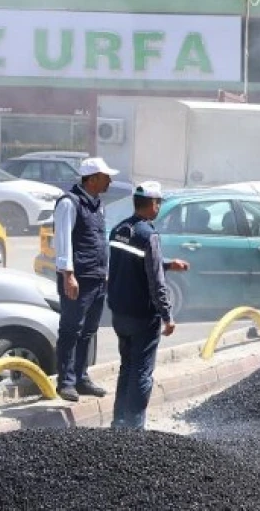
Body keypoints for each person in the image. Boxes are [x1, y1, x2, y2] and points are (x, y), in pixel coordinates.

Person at [107, 181, 189, 430]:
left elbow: (133, 263)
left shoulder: (119, 230)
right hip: (143, 316)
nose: (159, 207)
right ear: (152, 204)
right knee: (142, 372)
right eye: (159, 202)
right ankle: (135, 428)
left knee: (127, 367)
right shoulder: (149, 235)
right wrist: (167, 315)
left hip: (120, 312)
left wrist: (167, 263)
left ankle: (119, 421)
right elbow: (155, 280)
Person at [52, 156, 118, 402]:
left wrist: (106, 272)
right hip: (78, 278)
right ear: (92, 179)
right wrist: (68, 275)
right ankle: (66, 382)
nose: (110, 180)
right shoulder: (69, 203)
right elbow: (63, 241)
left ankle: (81, 377)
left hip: (97, 277)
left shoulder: (97, 204)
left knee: (88, 330)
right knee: (71, 329)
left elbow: (99, 241)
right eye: (105, 177)